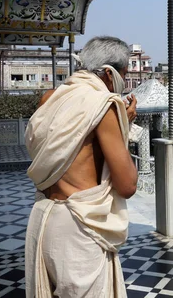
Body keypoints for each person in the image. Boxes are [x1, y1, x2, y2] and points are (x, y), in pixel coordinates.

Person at [25, 36, 139, 298]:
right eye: (124, 75)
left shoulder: (49, 98)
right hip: (79, 227)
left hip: (45, 218)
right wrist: (123, 126)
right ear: (109, 74)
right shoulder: (104, 105)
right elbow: (127, 185)